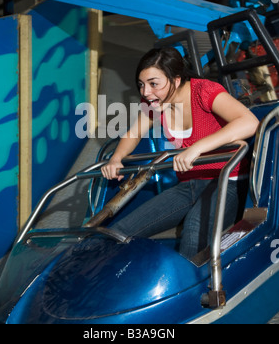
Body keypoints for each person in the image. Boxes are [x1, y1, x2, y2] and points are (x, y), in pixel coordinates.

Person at [101, 47, 259, 259]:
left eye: (153, 84)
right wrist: (116, 158)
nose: (145, 92)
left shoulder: (204, 91)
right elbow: (133, 133)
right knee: (118, 233)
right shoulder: (155, 103)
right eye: (141, 85)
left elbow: (249, 122)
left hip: (228, 180)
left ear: (175, 80)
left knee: (194, 232)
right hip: (190, 184)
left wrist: (197, 147)